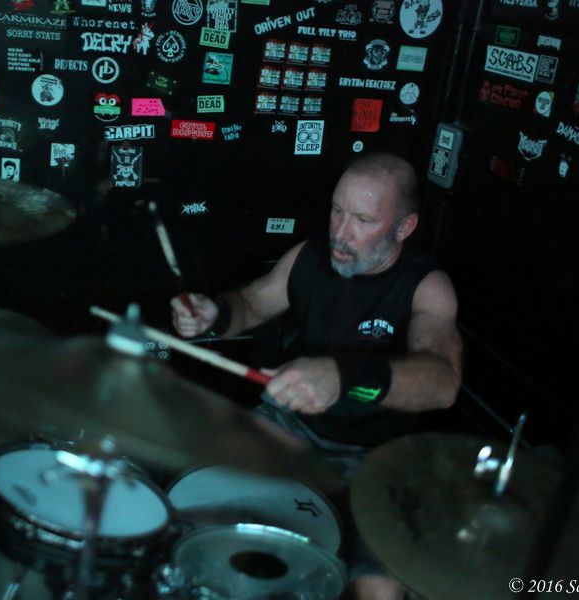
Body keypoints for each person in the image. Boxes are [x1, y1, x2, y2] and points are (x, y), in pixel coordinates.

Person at [170, 153, 462, 600]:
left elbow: (443, 383)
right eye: (337, 210)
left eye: (363, 220)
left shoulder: (426, 286)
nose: (341, 232)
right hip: (289, 425)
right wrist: (215, 314)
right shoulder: (310, 256)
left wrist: (344, 377)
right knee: (195, 511)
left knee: (379, 588)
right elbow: (252, 303)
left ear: (404, 227)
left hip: (373, 455)